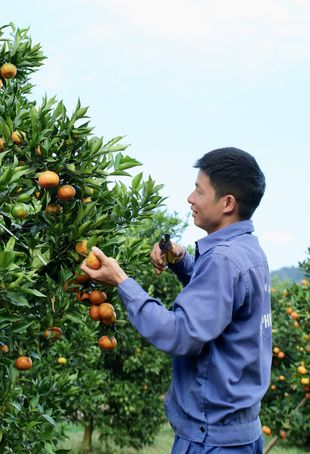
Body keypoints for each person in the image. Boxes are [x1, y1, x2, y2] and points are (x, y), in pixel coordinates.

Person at [81, 147, 272, 454]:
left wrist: (121, 281)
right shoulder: (248, 250)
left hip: (211, 440)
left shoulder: (223, 259)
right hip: (239, 432)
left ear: (227, 203)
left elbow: (180, 334)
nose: (190, 199)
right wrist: (182, 262)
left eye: (199, 190)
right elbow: (221, 303)